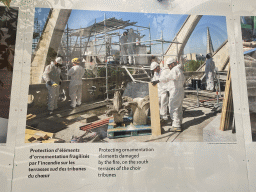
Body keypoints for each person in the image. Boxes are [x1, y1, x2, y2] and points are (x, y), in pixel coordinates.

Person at [160, 57, 185, 131]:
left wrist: (159, 80)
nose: (168, 67)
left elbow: (168, 78)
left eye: (169, 65)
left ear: (173, 64)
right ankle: (179, 122)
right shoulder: (180, 70)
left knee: (173, 107)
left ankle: (176, 126)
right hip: (180, 90)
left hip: (175, 91)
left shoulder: (174, 70)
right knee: (179, 107)